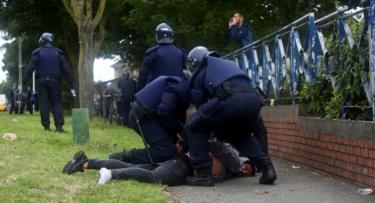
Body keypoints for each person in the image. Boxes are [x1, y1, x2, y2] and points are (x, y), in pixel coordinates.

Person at [184, 46, 276, 186]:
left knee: (193, 124)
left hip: (232, 100)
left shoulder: (200, 72)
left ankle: (203, 173)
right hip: (254, 99)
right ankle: (267, 169)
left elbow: (201, 111)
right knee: (240, 136)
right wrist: (220, 137)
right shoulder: (229, 64)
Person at [62, 140, 254, 186]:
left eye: (247, 172)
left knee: (132, 168)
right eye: (247, 167)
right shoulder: (231, 157)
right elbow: (221, 146)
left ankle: (86, 163)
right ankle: (109, 174)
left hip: (178, 162)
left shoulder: (228, 171)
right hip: (182, 166)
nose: (244, 171)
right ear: (244, 160)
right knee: (153, 178)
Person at [109, 73, 191, 165]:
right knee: (167, 150)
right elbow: (164, 111)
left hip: (145, 115)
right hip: (142, 117)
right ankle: (124, 158)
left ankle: (123, 157)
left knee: (169, 148)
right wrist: (178, 131)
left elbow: (174, 118)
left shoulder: (177, 84)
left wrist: (178, 138)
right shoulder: (177, 88)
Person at [22, 33, 74, 132]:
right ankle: (59, 127)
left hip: (41, 81)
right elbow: (65, 69)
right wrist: (71, 82)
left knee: (43, 103)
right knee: (57, 102)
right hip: (55, 81)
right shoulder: (58, 53)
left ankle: (46, 127)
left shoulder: (37, 53)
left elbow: (30, 68)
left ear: (42, 41)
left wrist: (24, 81)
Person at [136, 23, 187, 92]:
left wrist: (139, 90)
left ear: (157, 36)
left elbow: (143, 73)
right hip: (177, 92)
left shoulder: (153, 52)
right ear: (171, 35)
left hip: (157, 92)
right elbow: (187, 73)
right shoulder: (181, 52)